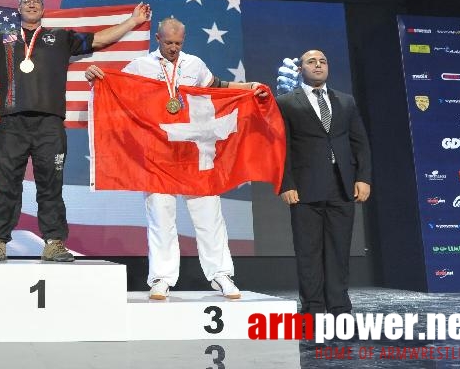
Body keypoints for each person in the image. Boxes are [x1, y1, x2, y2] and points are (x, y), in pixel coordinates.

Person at [0, 0, 150, 262]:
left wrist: (132, 22)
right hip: (12, 124)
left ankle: (53, 242)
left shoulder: (61, 38)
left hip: (50, 125)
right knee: (6, 185)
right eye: (26, 2)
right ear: (19, 7)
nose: (31, 6)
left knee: (51, 185)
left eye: (36, 2)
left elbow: (98, 40)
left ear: (43, 7)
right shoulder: (2, 39)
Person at [85, 17, 265, 300]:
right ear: (158, 38)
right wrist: (97, 75)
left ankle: (221, 275)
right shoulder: (142, 65)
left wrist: (248, 87)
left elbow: (216, 87)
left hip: (195, 154)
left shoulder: (194, 64)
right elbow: (117, 84)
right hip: (159, 155)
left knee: (210, 216)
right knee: (160, 217)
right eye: (168, 43)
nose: (173, 48)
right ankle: (161, 278)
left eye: (178, 43)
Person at [276, 49, 372, 315]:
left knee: (339, 250)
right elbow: (280, 147)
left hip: (342, 185)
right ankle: (313, 308)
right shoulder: (286, 102)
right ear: (300, 69)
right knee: (309, 253)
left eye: (323, 62)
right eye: (311, 62)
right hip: (304, 187)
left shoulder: (346, 101)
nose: (318, 65)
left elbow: (360, 143)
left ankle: (339, 307)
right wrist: (286, 183)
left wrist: (363, 178)